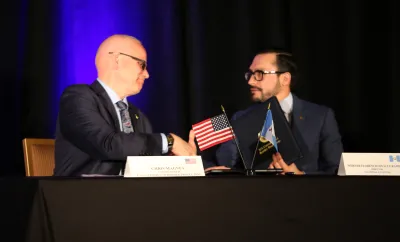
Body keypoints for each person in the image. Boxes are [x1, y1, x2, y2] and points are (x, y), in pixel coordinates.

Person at [54, 34, 196, 176]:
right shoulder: (77, 97)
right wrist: (170, 141)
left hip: (130, 195)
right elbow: (109, 144)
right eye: (142, 64)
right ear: (117, 60)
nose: (146, 74)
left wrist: (179, 160)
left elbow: (143, 159)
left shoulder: (138, 115)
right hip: (81, 194)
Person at [207, 49, 343, 175]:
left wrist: (302, 176)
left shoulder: (321, 116)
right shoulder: (241, 118)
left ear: (285, 79)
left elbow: (336, 170)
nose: (250, 81)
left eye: (259, 74)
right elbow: (223, 166)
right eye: (250, 74)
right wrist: (192, 157)